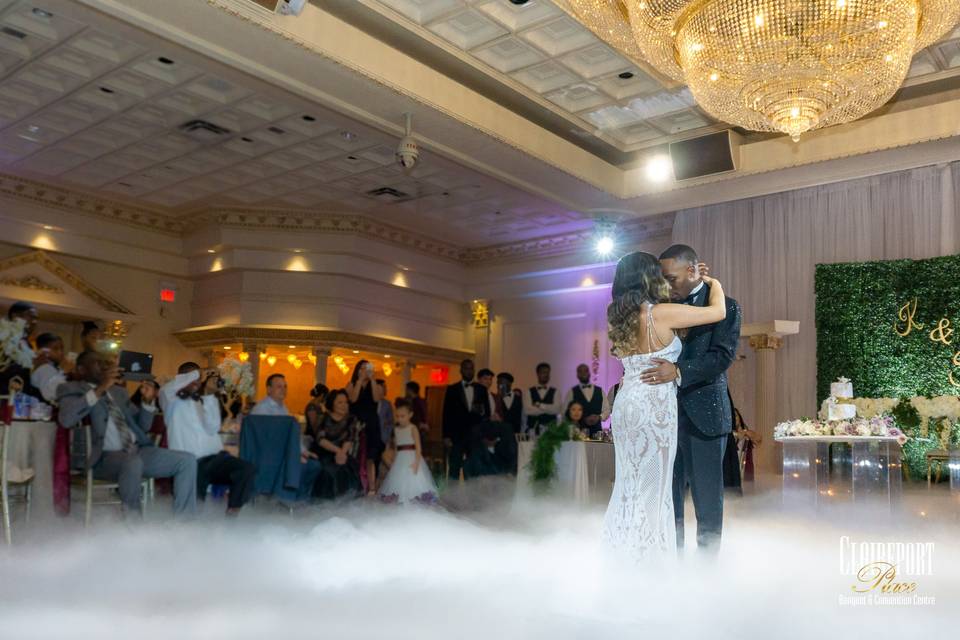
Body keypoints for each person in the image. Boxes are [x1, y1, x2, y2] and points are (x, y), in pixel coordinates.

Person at [601, 250, 729, 563]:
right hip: (653, 406)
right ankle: (652, 564)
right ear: (648, 278)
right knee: (655, 490)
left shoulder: (617, 316)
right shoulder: (660, 313)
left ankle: (622, 555)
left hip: (626, 403)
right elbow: (718, 313)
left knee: (628, 484)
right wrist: (713, 282)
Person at [639, 245, 742, 552]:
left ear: (693, 270)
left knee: (708, 499)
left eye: (669, 278)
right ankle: (673, 561)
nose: (665, 285)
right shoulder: (660, 306)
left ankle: (707, 571)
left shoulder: (728, 306)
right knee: (666, 499)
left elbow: (722, 357)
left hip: (706, 416)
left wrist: (679, 371)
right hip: (664, 416)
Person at [57, 351, 197, 517]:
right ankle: (132, 521)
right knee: (133, 462)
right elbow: (66, 419)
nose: (104, 366)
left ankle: (184, 521)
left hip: (137, 451)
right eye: (97, 363)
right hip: (101, 458)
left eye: (105, 362)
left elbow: (142, 427)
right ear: (81, 369)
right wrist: (101, 388)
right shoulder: (70, 388)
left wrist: (147, 402)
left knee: (187, 460)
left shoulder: (118, 392)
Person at [160, 363, 257, 515]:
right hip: (190, 463)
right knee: (194, 510)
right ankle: (189, 530)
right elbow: (168, 389)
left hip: (214, 459)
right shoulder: (170, 400)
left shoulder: (202, 400)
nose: (197, 381)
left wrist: (211, 395)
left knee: (246, 469)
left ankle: (232, 514)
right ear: (181, 378)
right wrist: (198, 373)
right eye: (193, 377)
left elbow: (213, 427)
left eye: (198, 378)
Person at [378, 398, 438, 505]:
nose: (400, 419)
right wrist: (395, 460)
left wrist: (416, 462)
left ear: (410, 415)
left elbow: (418, 447)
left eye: (403, 416)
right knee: (400, 478)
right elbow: (397, 447)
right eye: (397, 416)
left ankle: (414, 497)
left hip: (412, 457)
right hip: (400, 458)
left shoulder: (413, 428)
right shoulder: (396, 430)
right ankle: (400, 497)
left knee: (414, 479)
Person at [442, 359, 490, 480]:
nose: (469, 371)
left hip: (475, 435)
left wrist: (485, 433)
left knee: (473, 468)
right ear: (461, 370)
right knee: (454, 468)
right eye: (466, 368)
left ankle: (472, 497)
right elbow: (446, 413)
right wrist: (446, 435)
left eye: (471, 368)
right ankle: (452, 497)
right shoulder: (452, 389)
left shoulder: (481, 389)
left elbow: (487, 413)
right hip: (456, 435)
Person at [310, 389, 361, 500]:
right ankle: (327, 503)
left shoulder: (351, 419)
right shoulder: (323, 418)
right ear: (332, 403)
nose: (344, 405)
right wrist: (338, 451)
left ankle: (347, 503)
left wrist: (342, 453)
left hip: (343, 452)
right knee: (329, 470)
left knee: (349, 468)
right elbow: (320, 439)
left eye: (346, 402)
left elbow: (350, 438)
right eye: (340, 402)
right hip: (325, 452)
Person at [346, 360, 383, 495]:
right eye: (361, 368)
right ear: (357, 370)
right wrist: (359, 382)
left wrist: (372, 379)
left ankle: (372, 489)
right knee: (355, 456)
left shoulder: (376, 385)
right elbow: (353, 399)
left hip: (372, 424)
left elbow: (376, 398)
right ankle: (356, 486)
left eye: (366, 368)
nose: (364, 371)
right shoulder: (351, 385)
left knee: (371, 456)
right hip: (356, 424)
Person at [563, 364, 610, 439]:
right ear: (577, 375)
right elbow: (565, 411)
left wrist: (599, 417)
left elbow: (607, 410)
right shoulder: (572, 392)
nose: (583, 373)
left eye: (585, 371)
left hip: (597, 432)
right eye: (580, 371)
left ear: (589, 373)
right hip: (578, 432)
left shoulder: (600, 390)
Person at [524, 362, 561, 436]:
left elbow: (557, 410)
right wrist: (549, 409)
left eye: (548, 373)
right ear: (537, 374)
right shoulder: (528, 391)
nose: (546, 375)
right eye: (544, 372)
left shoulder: (556, 391)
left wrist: (539, 405)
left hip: (551, 431)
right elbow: (528, 410)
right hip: (533, 430)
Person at [375, 379, 394, 451]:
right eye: (383, 387)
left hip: (383, 436)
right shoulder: (369, 404)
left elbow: (391, 421)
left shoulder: (387, 404)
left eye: (385, 387)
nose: (385, 389)